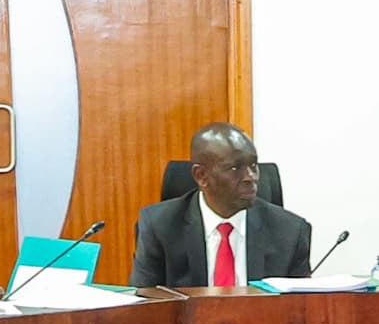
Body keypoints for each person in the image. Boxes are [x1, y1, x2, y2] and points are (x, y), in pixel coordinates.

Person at [132, 121, 317, 288]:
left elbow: (300, 313)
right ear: (201, 176)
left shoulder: (290, 232)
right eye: (235, 168)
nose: (250, 177)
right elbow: (144, 307)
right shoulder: (159, 226)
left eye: (253, 166)